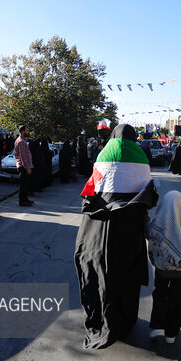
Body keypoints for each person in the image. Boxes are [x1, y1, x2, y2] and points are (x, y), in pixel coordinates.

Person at [74, 124, 158, 349]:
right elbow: (148, 192)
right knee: (127, 277)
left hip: (100, 227)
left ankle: (103, 320)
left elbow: (92, 188)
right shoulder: (140, 155)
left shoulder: (104, 152)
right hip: (130, 228)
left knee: (100, 274)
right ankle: (126, 320)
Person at [147, 190, 181, 344]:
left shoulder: (158, 221)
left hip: (161, 270)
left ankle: (157, 326)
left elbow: (149, 234)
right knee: (178, 300)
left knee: (160, 295)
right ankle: (171, 334)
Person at [14, 125, 34, 206]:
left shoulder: (22, 140)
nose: (28, 132)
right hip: (23, 167)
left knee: (25, 184)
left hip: (23, 166)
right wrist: (27, 167)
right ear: (22, 131)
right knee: (23, 185)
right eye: (27, 130)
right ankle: (22, 201)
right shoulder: (21, 142)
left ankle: (25, 199)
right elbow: (23, 156)